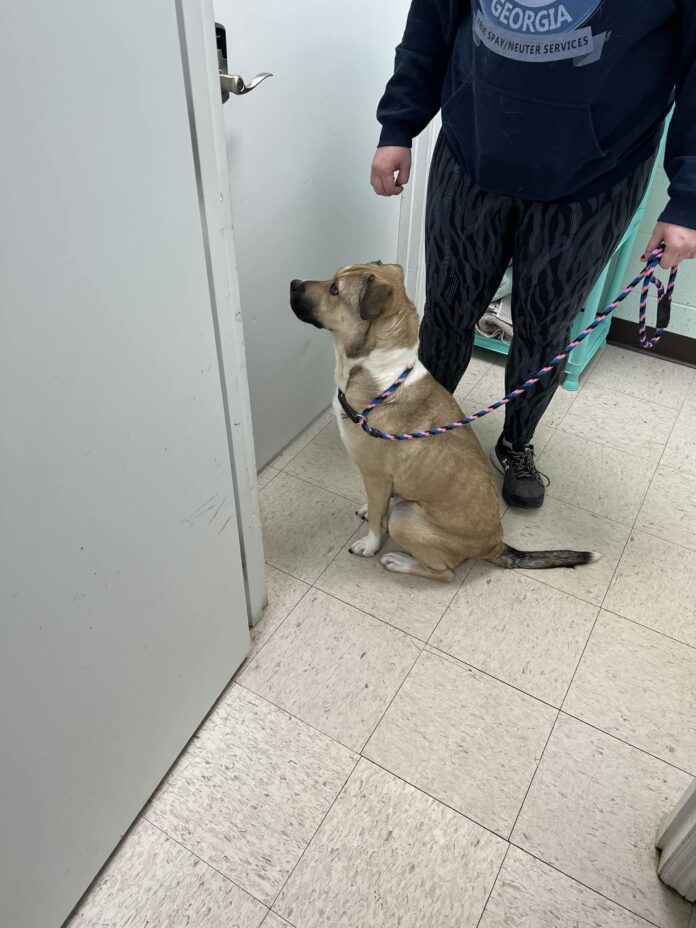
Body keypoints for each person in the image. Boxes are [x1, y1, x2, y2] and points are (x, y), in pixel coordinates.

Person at [371, 0, 696, 508]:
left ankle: (515, 443)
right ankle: (427, 428)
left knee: (546, 325)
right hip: (471, 151)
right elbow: (432, 23)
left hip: (593, 178)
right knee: (449, 311)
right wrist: (399, 125)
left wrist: (688, 200)